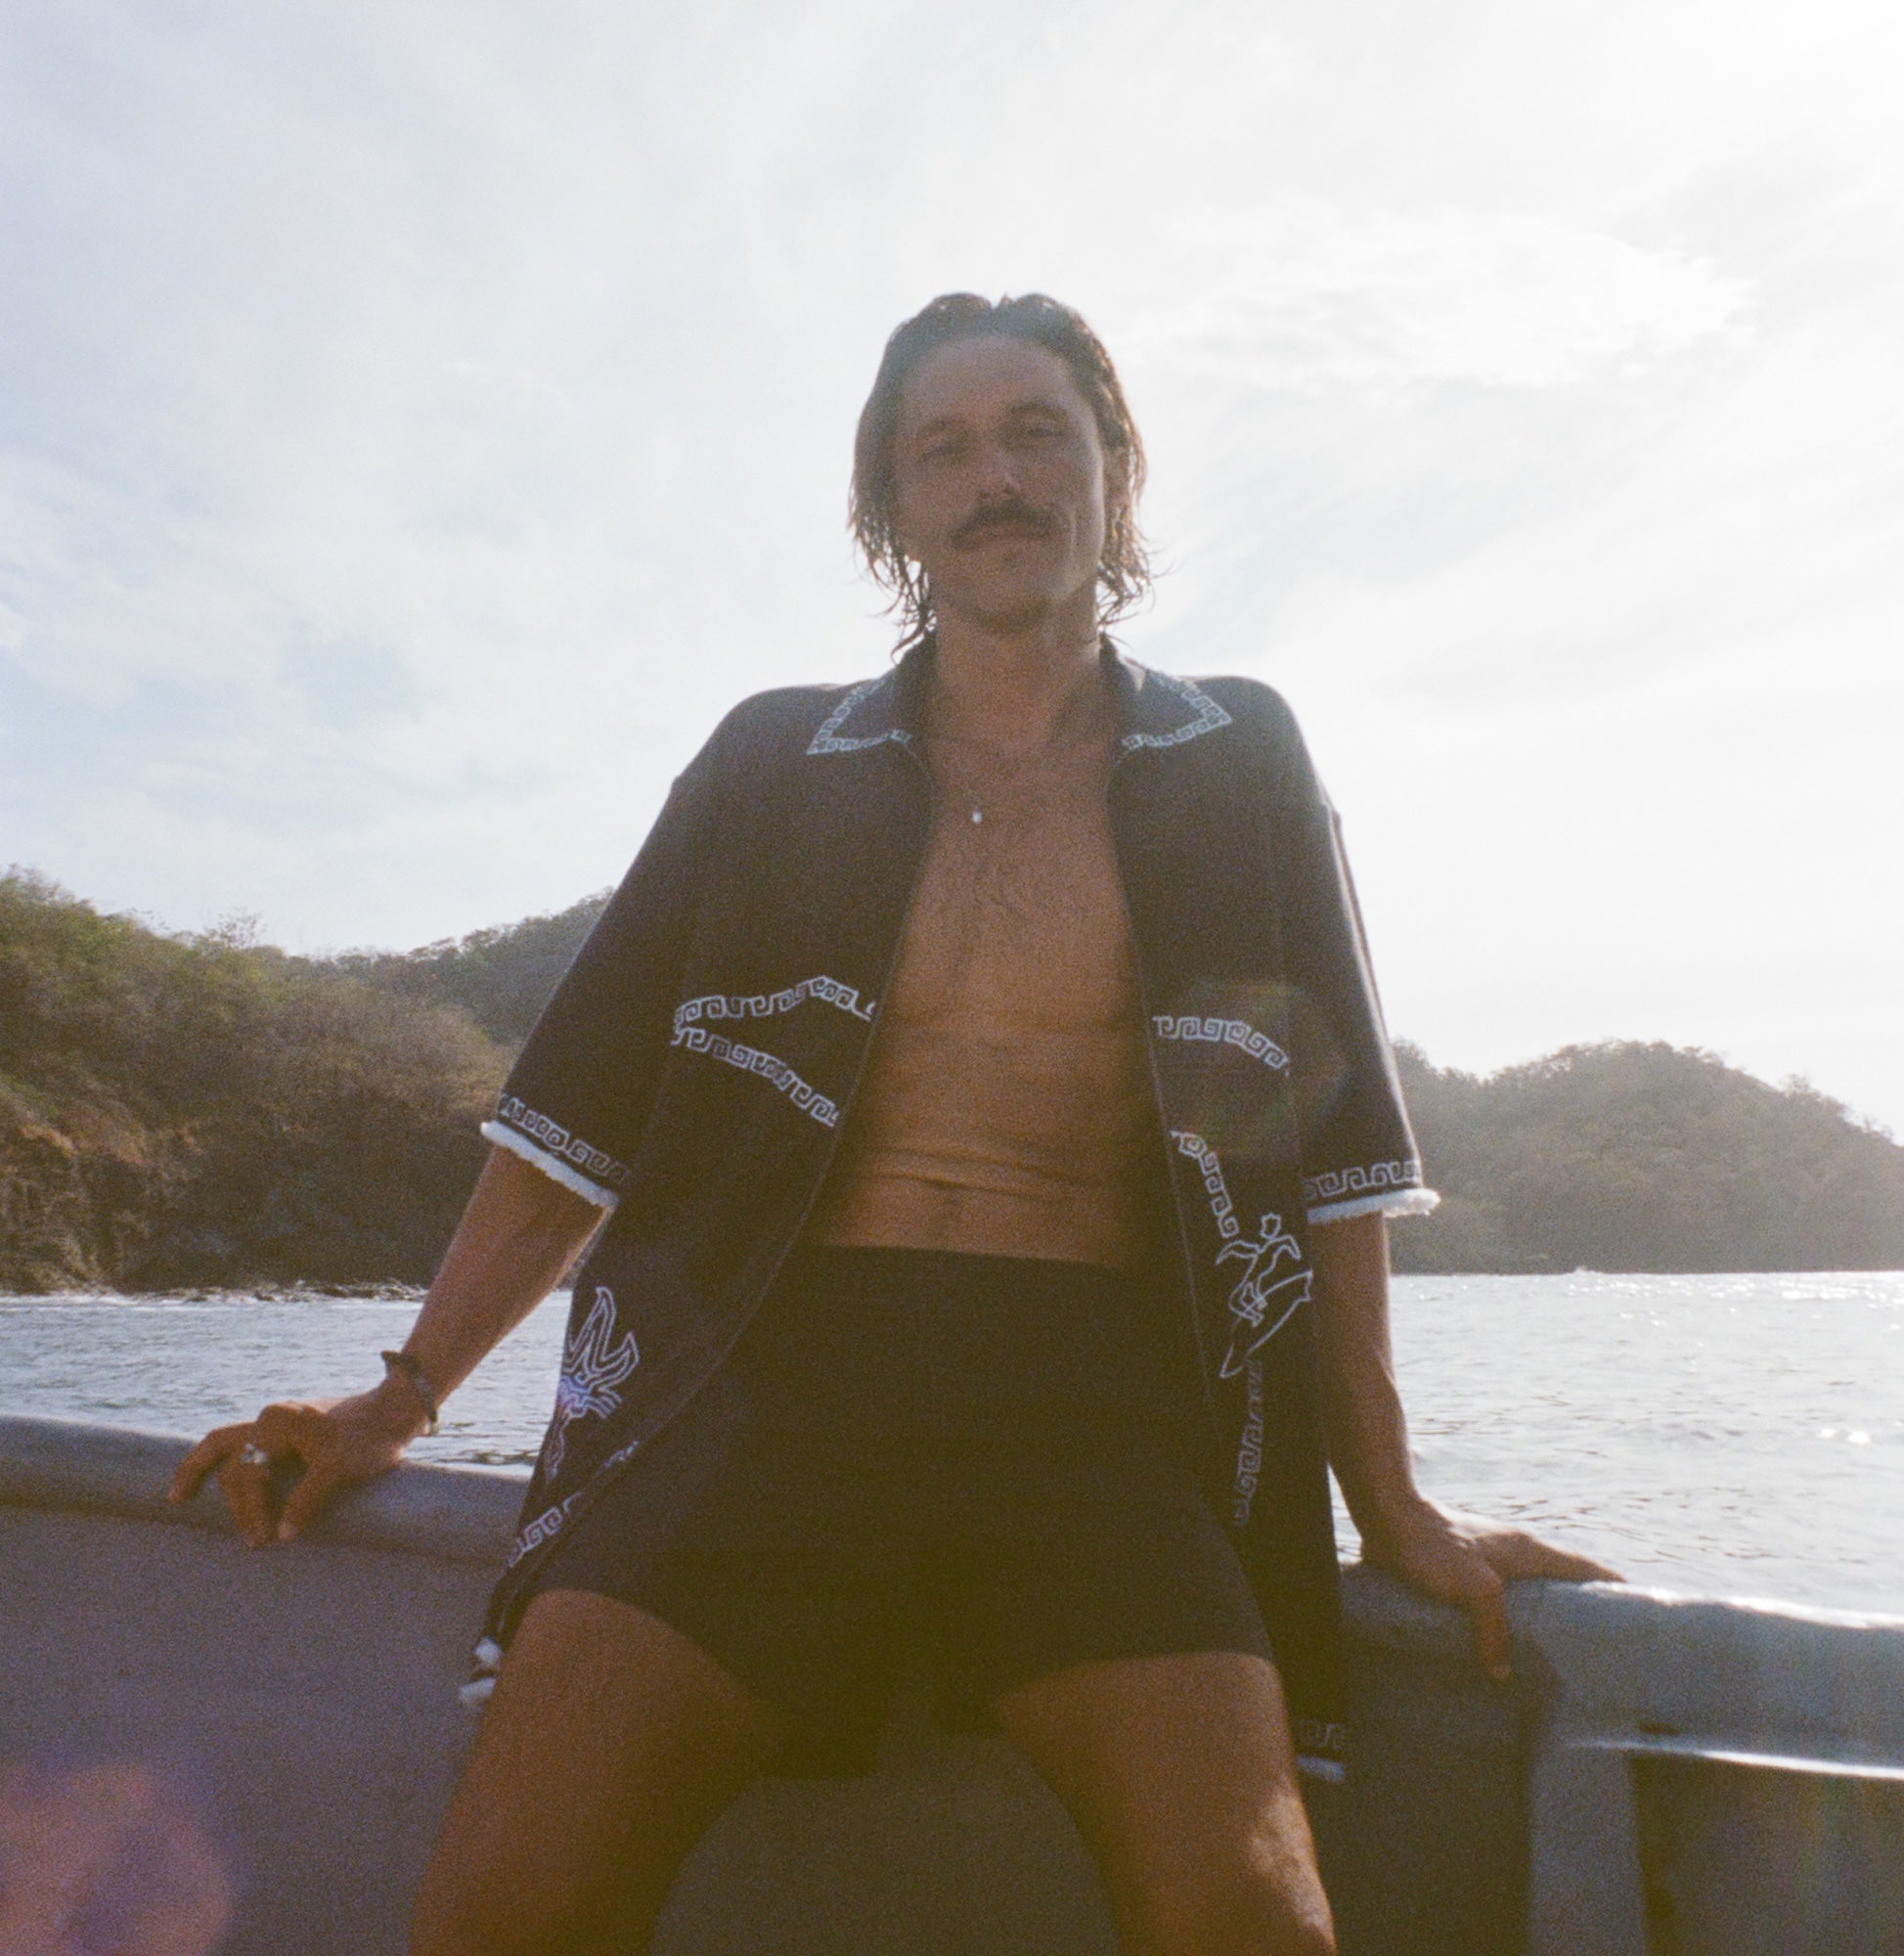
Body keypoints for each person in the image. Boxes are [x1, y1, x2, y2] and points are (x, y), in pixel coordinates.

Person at [171, 292, 1618, 1956]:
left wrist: (1394, 1505)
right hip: (761, 1395)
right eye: (943, 450)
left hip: (1102, 1417)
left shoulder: (1239, 758)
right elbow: (577, 1120)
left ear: (1114, 469)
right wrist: (401, 1399)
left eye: (1035, 435)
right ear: (892, 510)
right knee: (506, 1908)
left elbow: (1337, 1167)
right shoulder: (776, 761)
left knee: (1255, 1919)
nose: (992, 478)